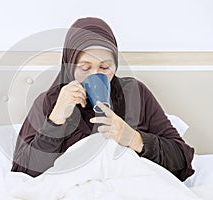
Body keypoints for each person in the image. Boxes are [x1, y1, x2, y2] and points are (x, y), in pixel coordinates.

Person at [11, 17, 195, 181]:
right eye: (84, 68)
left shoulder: (134, 93)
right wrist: (56, 120)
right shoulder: (50, 101)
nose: (95, 74)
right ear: (69, 67)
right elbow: (22, 173)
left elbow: (182, 159)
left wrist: (133, 138)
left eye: (105, 67)